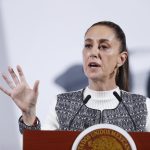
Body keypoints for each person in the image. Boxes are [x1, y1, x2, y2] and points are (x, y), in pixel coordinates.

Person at [0, 21, 150, 133]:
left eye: (103, 46)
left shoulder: (142, 106)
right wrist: (29, 115)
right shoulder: (62, 105)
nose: (93, 53)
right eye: (88, 45)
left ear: (121, 59)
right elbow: (39, 146)